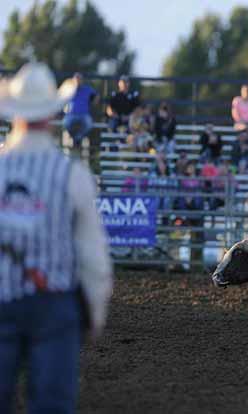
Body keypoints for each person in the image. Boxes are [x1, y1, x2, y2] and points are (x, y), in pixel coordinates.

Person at [0, 62, 112, 413]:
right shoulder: (71, 174)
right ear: (51, 115)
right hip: (54, 303)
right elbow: (93, 256)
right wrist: (95, 310)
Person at [62, 72, 98, 148]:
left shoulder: (87, 89)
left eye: (79, 79)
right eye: (76, 80)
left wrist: (94, 101)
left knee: (89, 124)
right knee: (65, 123)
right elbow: (61, 98)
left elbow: (96, 96)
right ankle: (74, 138)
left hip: (84, 114)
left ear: (82, 80)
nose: (77, 81)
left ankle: (78, 138)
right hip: (71, 114)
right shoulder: (69, 89)